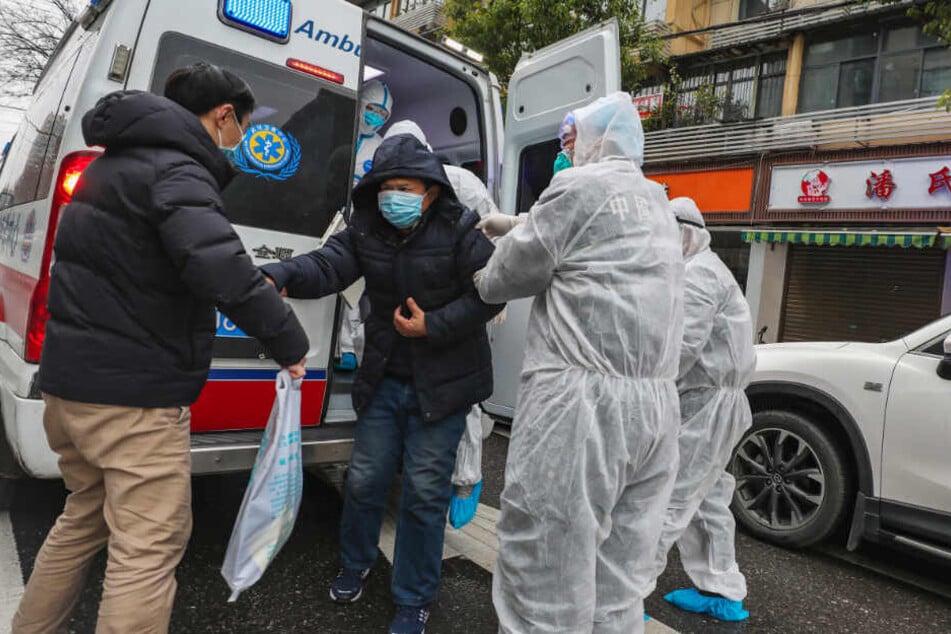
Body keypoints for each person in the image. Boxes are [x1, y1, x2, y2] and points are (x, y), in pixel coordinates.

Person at [12, 63, 309, 634]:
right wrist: (288, 342)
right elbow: (223, 266)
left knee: (82, 519)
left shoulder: (108, 167)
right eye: (241, 128)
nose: (240, 141)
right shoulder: (178, 171)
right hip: (134, 400)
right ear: (224, 115)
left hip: (70, 388)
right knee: (147, 549)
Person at [261, 134, 502, 634]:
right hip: (385, 378)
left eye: (405, 187)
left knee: (423, 492)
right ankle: (356, 562)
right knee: (366, 479)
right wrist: (279, 274)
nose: (394, 196)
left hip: (443, 385)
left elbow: (491, 295)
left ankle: (414, 596)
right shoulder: (368, 226)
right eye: (386, 186)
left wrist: (432, 325)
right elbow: (328, 265)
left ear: (430, 190)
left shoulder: (460, 229)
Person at [474, 92, 685, 634]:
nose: (564, 154)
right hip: (655, 413)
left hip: (580, 408)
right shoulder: (658, 202)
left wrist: (482, 266)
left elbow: (507, 276)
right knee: (619, 580)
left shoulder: (575, 187)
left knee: (543, 566)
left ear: (595, 140)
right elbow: (589, 237)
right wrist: (514, 221)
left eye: (569, 142)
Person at [648, 197, 755, 622]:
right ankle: (722, 588)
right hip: (708, 402)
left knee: (668, 498)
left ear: (687, 232)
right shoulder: (699, 271)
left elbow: (680, 349)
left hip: (707, 405)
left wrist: (646, 393)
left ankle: (620, 599)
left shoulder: (699, 276)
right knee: (707, 497)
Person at [337, 79, 395, 372]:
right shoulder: (338, 129)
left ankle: (347, 350)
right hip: (327, 218)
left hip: (359, 224)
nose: (375, 117)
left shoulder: (380, 147)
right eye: (372, 108)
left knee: (352, 287)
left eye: (383, 115)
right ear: (361, 103)